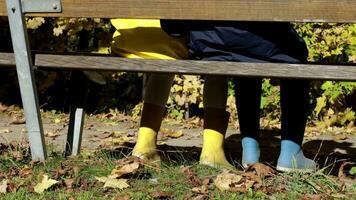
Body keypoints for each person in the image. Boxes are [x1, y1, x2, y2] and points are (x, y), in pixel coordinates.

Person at [162, 20, 317, 172]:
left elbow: (171, 26)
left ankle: (250, 152)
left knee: (245, 57)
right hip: (259, 42)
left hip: (207, 45)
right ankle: (291, 155)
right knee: (296, 54)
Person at [110, 19, 188, 161]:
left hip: (125, 43)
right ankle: (146, 144)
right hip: (170, 47)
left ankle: (146, 144)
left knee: (164, 64)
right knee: (166, 65)